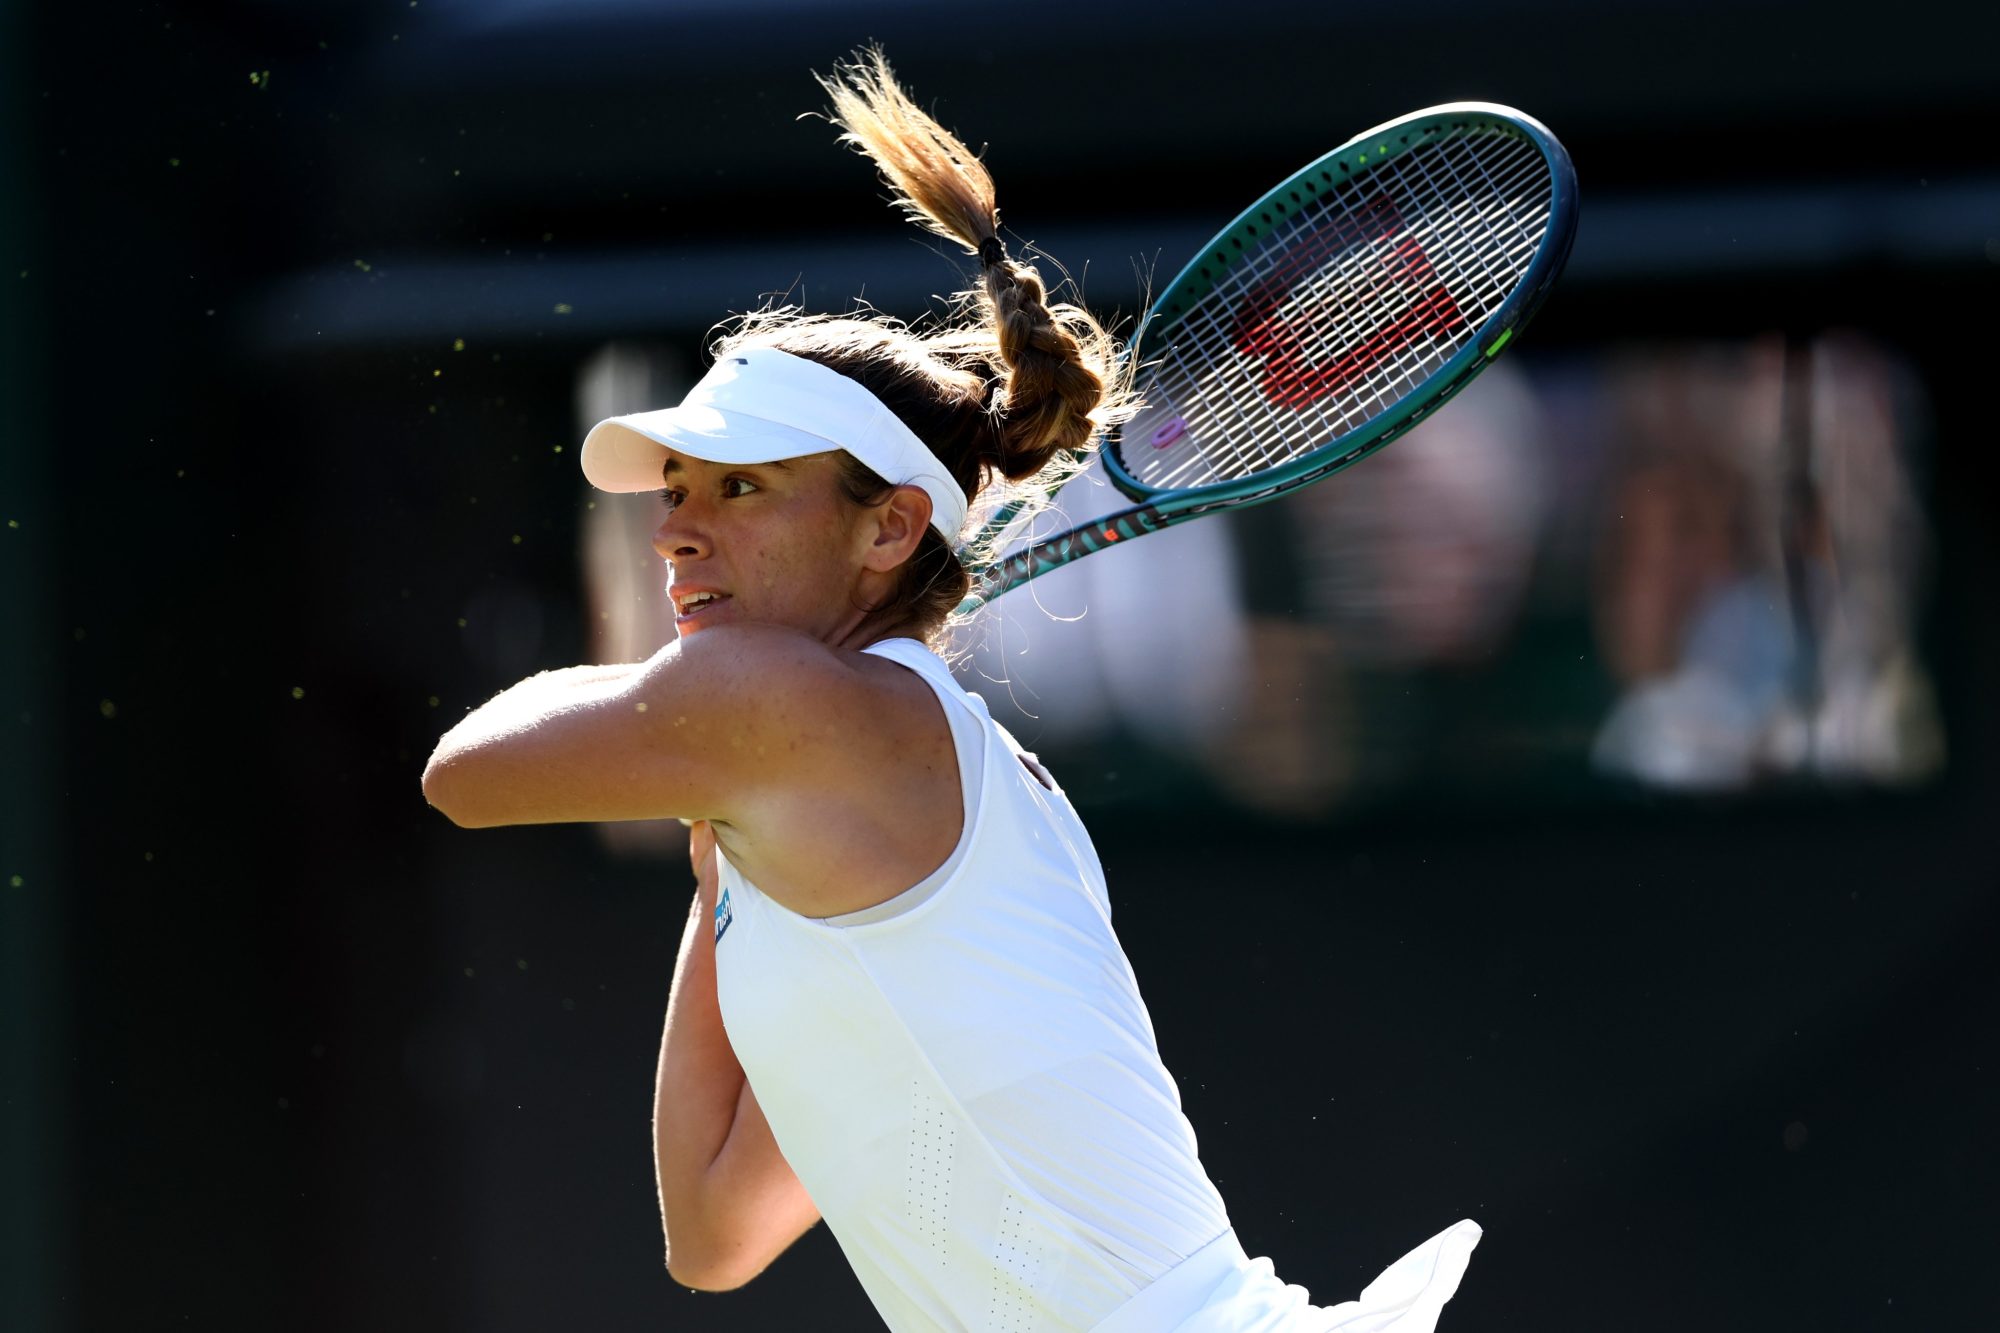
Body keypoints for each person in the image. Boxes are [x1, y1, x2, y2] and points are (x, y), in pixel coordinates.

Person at [420, 48, 1480, 1331]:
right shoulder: (833, 759)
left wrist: (705, 750)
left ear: (890, 527)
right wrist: (721, 874)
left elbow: (463, 774)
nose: (676, 536)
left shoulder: (777, 704)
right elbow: (714, 1231)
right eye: (677, 495)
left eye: (742, 488)